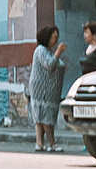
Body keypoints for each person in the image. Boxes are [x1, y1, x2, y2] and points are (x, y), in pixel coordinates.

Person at [29, 25, 68, 153]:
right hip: (43, 89)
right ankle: (52, 143)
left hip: (49, 89)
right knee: (46, 116)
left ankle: (39, 144)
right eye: (54, 36)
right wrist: (59, 51)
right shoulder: (41, 50)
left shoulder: (47, 51)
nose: (56, 39)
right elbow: (50, 65)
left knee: (41, 116)